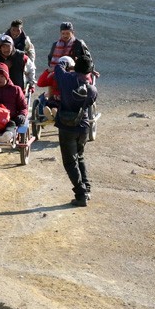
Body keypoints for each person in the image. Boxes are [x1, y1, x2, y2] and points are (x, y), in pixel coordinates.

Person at [54, 55, 98, 207]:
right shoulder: (92, 89)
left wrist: (67, 63)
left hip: (66, 128)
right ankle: (87, 189)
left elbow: (58, 67)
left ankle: (81, 194)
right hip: (83, 127)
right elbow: (90, 102)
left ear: (75, 67)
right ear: (90, 72)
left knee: (69, 162)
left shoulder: (66, 79)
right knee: (80, 157)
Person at [36, 55, 75, 121]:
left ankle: (54, 113)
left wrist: (48, 71)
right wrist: (48, 71)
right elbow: (40, 83)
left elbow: (40, 83)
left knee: (53, 104)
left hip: (64, 101)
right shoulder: (55, 76)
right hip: (58, 101)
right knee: (45, 100)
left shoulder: (71, 77)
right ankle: (52, 113)